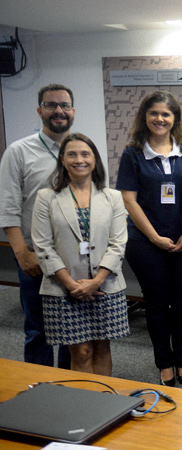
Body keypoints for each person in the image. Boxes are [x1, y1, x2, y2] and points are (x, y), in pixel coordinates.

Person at [116, 91, 182, 387]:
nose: (160, 119)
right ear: (145, 117)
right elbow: (130, 201)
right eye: (154, 114)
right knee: (156, 304)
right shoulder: (133, 153)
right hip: (145, 243)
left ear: (174, 119)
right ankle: (164, 364)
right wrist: (155, 237)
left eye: (166, 114)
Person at [31, 133, 129, 375]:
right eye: (72, 154)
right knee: (80, 351)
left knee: (102, 348)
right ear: (62, 160)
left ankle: (105, 402)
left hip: (105, 286)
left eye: (85, 154)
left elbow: (118, 244)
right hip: (64, 288)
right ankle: (85, 406)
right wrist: (72, 285)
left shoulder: (112, 197)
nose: (79, 159)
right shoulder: (47, 197)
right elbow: (43, 246)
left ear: (95, 159)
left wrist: (95, 282)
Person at [0, 84, 74, 369]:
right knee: (38, 330)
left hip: (73, 257)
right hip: (36, 257)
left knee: (73, 331)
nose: (59, 111)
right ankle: (39, 390)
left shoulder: (80, 149)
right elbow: (8, 208)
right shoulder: (18, 152)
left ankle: (69, 387)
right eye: (51, 105)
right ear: (40, 110)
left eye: (64, 105)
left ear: (73, 110)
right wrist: (22, 254)